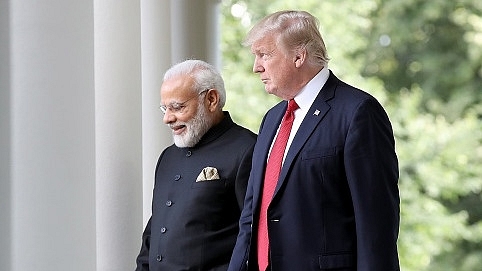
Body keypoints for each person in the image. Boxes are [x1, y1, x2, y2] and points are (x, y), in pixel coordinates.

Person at [228, 10, 400, 271]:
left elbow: (376, 225)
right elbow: (252, 214)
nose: (256, 67)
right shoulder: (272, 119)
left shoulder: (358, 112)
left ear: (299, 56)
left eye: (264, 54)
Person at [135, 59, 257, 271]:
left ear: (211, 99)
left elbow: (254, 238)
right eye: (164, 108)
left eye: (177, 107)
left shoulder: (248, 149)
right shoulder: (167, 157)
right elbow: (154, 231)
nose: (167, 118)